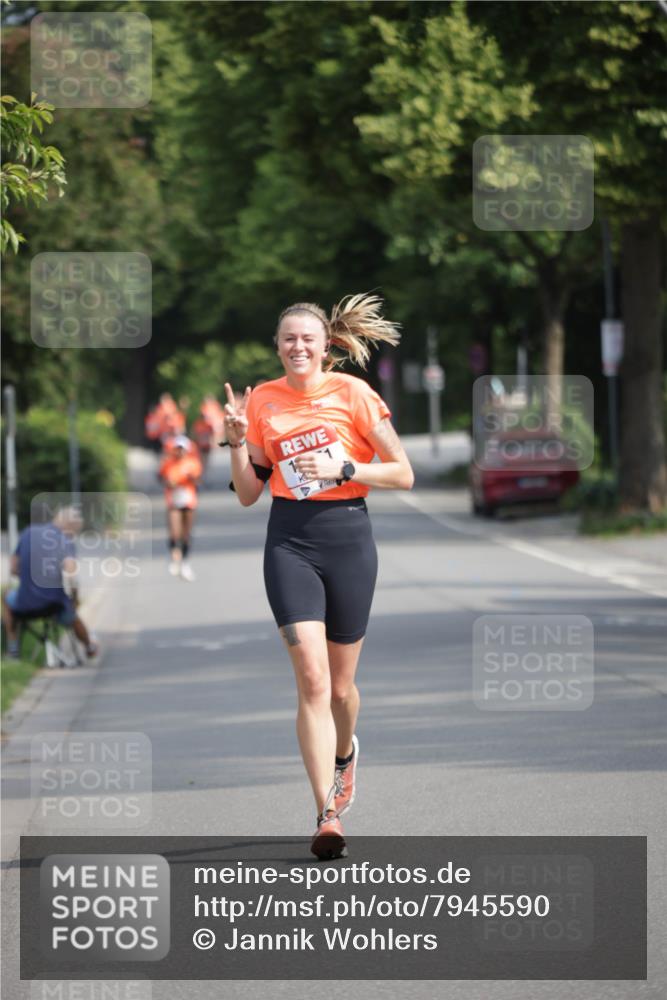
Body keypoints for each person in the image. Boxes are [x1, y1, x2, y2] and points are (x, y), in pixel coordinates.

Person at [224, 293, 414, 859]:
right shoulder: (263, 400)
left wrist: (344, 466)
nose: (297, 347)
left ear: (325, 345)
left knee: (339, 689)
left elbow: (403, 473)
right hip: (289, 540)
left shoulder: (354, 394)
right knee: (311, 680)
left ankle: (344, 752)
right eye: (288, 339)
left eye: (307, 338)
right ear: (277, 346)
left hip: (348, 537)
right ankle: (326, 813)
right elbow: (248, 493)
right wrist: (235, 442)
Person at [2, 507, 98, 660]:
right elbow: (71, 576)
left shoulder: (28, 532)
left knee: (6, 596)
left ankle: (13, 648)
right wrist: (74, 599)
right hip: (54, 605)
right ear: (70, 526)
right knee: (71, 613)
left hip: (23, 604)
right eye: (75, 531)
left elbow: (13, 568)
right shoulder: (66, 541)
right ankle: (89, 646)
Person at [158, 434, 203, 582]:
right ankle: (174, 559)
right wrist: (168, 483)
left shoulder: (193, 463)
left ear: (187, 450)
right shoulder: (168, 463)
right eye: (177, 449)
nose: (180, 451)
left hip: (188, 500)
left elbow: (198, 481)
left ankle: (185, 562)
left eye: (182, 449)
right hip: (173, 500)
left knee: (186, 534)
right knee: (174, 532)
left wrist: (191, 478)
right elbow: (161, 477)